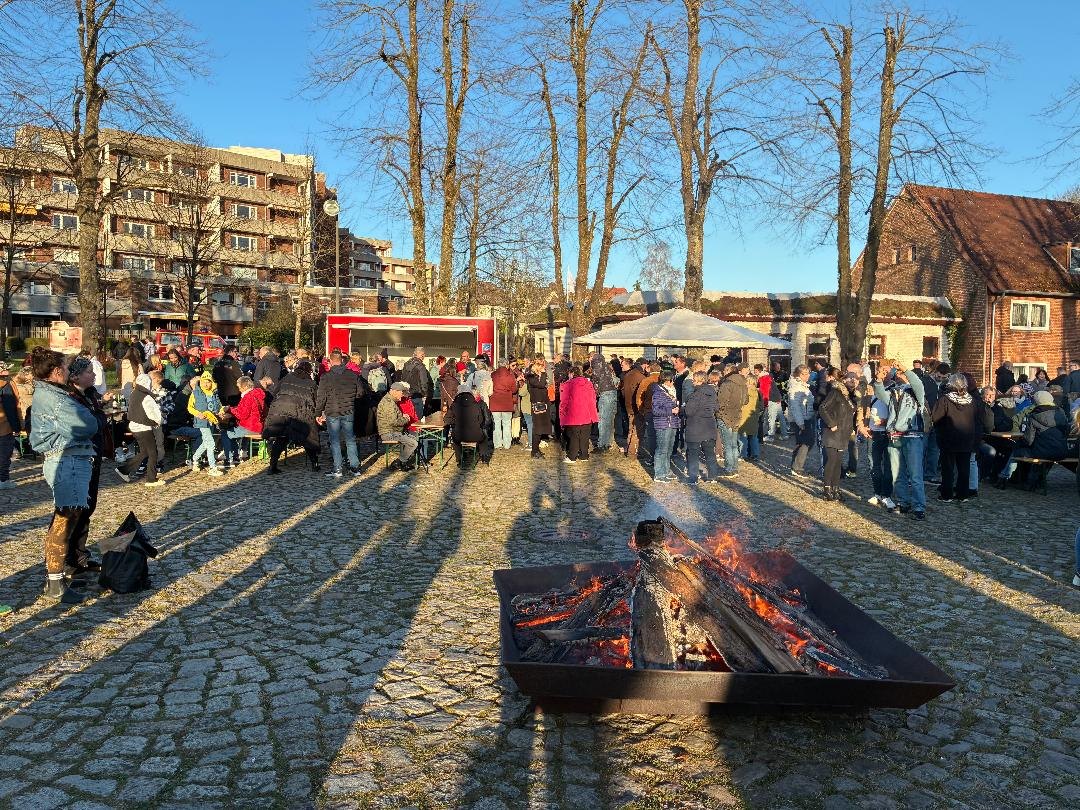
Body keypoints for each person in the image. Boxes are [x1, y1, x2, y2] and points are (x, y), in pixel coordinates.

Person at [29, 347, 98, 603]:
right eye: (67, 369)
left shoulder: (54, 394)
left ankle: (57, 577)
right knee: (64, 517)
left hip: (71, 457)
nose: (69, 373)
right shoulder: (56, 399)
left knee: (69, 515)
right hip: (65, 459)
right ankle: (55, 581)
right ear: (57, 371)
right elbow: (89, 424)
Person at [872, 361, 927, 520]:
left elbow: (917, 382)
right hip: (894, 436)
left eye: (902, 374)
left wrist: (905, 369)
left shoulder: (916, 391)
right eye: (898, 373)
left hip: (912, 436)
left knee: (915, 474)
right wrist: (878, 380)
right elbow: (881, 394)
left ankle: (919, 507)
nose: (899, 375)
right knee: (898, 473)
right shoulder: (894, 392)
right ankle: (904, 503)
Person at [930, 373, 988, 503]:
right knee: (964, 468)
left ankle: (947, 494)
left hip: (948, 438)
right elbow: (978, 419)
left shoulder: (945, 400)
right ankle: (963, 494)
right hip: (967, 438)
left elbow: (936, 418)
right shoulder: (972, 401)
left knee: (948, 468)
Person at [995, 390, 1069, 488]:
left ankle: (1004, 478)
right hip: (1061, 451)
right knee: (1047, 453)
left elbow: (1028, 440)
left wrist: (1020, 442)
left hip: (1042, 452)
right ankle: (1036, 480)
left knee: (1016, 451)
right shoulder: (1061, 413)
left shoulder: (1034, 415)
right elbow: (1066, 432)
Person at [263, 360, 321, 474]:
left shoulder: (286, 378)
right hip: (300, 412)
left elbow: (275, 393)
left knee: (281, 437)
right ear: (309, 372)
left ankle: (272, 466)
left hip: (280, 411)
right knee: (308, 437)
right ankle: (315, 464)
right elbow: (316, 401)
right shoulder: (311, 384)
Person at [315, 350, 363, 478]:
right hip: (348, 410)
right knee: (350, 439)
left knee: (335, 441)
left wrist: (318, 413)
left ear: (330, 361)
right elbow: (360, 393)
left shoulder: (326, 377)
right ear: (342, 360)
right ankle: (355, 468)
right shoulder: (353, 375)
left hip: (332, 411)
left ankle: (338, 469)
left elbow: (321, 397)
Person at [116, 372, 165, 487]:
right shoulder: (146, 396)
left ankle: (124, 470)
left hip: (135, 426)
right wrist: (158, 421)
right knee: (153, 452)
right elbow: (152, 411)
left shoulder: (135, 393)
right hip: (144, 427)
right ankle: (151, 479)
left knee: (144, 452)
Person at [819, 369, 857, 501]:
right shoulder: (835, 392)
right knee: (831, 461)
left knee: (838, 463)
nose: (851, 381)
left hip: (843, 434)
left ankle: (836, 488)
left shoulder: (848, 397)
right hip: (832, 433)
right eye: (848, 379)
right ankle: (827, 489)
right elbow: (822, 408)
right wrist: (831, 423)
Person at [682, 370, 721, 485]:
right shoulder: (712, 392)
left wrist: (682, 409)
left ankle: (693, 477)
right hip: (709, 427)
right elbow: (717, 408)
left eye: (694, 380)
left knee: (693, 454)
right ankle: (713, 476)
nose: (692, 382)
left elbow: (689, 411)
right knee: (710, 453)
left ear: (699, 380)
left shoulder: (696, 394)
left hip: (695, 427)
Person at [221, 376, 266, 465]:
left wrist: (229, 409)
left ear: (245, 386)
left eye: (239, 387)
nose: (239, 389)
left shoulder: (248, 396)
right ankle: (235, 456)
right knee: (232, 433)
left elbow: (242, 414)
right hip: (259, 425)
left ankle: (229, 459)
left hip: (251, 426)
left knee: (225, 434)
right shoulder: (258, 394)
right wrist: (233, 411)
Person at [559, 363, 599, 464]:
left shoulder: (568, 384)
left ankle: (572, 456)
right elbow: (593, 399)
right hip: (587, 413)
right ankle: (584, 455)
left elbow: (564, 401)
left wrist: (562, 415)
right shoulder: (588, 383)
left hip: (574, 414)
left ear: (572, 373)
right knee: (585, 436)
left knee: (574, 436)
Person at [866, 375, 896, 509]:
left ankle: (887, 495)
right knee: (875, 465)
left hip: (888, 434)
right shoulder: (872, 396)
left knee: (888, 467)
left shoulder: (892, 394)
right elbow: (867, 412)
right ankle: (877, 493)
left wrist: (884, 421)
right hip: (875, 433)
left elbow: (896, 414)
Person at [187, 371, 225, 477]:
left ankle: (194, 459)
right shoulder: (196, 393)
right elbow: (190, 407)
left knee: (206, 443)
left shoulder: (214, 393)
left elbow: (219, 406)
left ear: (211, 382)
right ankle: (213, 468)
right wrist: (198, 414)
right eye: (204, 382)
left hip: (212, 421)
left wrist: (221, 411)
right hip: (202, 421)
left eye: (208, 382)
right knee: (211, 444)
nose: (206, 384)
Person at [377, 381, 419, 470]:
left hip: (393, 431)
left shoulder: (391, 401)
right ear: (395, 391)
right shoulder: (389, 403)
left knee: (414, 438)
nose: (402, 395)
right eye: (401, 393)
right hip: (389, 433)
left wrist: (402, 416)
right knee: (413, 443)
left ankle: (403, 463)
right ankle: (399, 462)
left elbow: (393, 418)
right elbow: (394, 422)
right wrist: (406, 419)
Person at [716, 363, 748, 478]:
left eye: (725, 370)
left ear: (729, 371)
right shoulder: (743, 383)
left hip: (725, 416)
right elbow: (745, 401)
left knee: (728, 445)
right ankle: (734, 467)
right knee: (733, 444)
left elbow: (720, 402)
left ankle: (729, 468)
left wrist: (718, 412)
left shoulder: (727, 383)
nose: (723, 372)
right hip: (737, 415)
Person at [650, 370, 680, 481]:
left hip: (672, 422)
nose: (673, 382)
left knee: (668, 449)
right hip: (663, 424)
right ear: (667, 380)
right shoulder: (658, 393)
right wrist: (671, 410)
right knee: (661, 449)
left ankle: (666, 470)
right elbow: (656, 410)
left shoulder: (671, 391)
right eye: (672, 380)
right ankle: (659, 474)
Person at [787, 364, 815, 479]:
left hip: (806, 417)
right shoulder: (796, 387)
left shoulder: (802, 385)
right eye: (804, 374)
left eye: (808, 373)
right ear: (799, 374)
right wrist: (800, 423)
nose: (807, 376)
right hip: (801, 419)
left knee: (802, 442)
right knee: (807, 442)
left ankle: (795, 466)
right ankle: (797, 467)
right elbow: (795, 407)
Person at [590, 351, 619, 453]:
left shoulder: (596, 363)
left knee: (602, 420)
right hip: (613, 393)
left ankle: (601, 444)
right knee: (610, 420)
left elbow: (596, 378)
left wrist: (594, 385)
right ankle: (608, 443)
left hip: (605, 394)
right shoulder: (606, 366)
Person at [524, 359, 553, 458]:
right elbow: (540, 385)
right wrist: (543, 374)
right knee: (538, 427)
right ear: (536, 367)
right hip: (538, 404)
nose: (543, 368)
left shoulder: (537, 377)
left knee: (542, 428)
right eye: (541, 366)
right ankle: (534, 451)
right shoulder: (531, 377)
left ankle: (536, 449)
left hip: (542, 403)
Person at [489, 359, 518, 451]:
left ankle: (497, 444)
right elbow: (514, 390)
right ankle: (507, 444)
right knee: (506, 424)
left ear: (498, 364)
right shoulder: (510, 376)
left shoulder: (493, 375)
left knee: (496, 425)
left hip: (495, 402)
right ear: (506, 365)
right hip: (506, 403)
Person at [620, 358, 646, 457]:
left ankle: (628, 447)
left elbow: (622, 391)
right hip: (636, 407)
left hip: (628, 405)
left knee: (631, 428)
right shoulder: (641, 377)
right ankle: (633, 452)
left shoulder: (627, 375)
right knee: (637, 430)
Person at [0, 362, 20, 489]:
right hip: (4, 426)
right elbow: (10, 409)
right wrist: (16, 427)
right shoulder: (5, 386)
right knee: (4, 454)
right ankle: (3, 480)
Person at [739, 365, 762, 462]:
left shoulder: (744, 392)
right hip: (754, 417)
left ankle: (743, 454)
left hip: (744, 418)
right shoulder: (758, 393)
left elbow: (741, 404)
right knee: (754, 437)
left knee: (743, 438)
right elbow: (761, 406)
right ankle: (755, 454)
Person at [402, 346, 432, 416]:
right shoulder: (420, 366)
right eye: (424, 355)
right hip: (417, 395)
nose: (424, 356)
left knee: (408, 417)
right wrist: (425, 394)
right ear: (422, 355)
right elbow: (424, 382)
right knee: (418, 420)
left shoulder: (406, 364)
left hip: (406, 395)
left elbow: (402, 379)